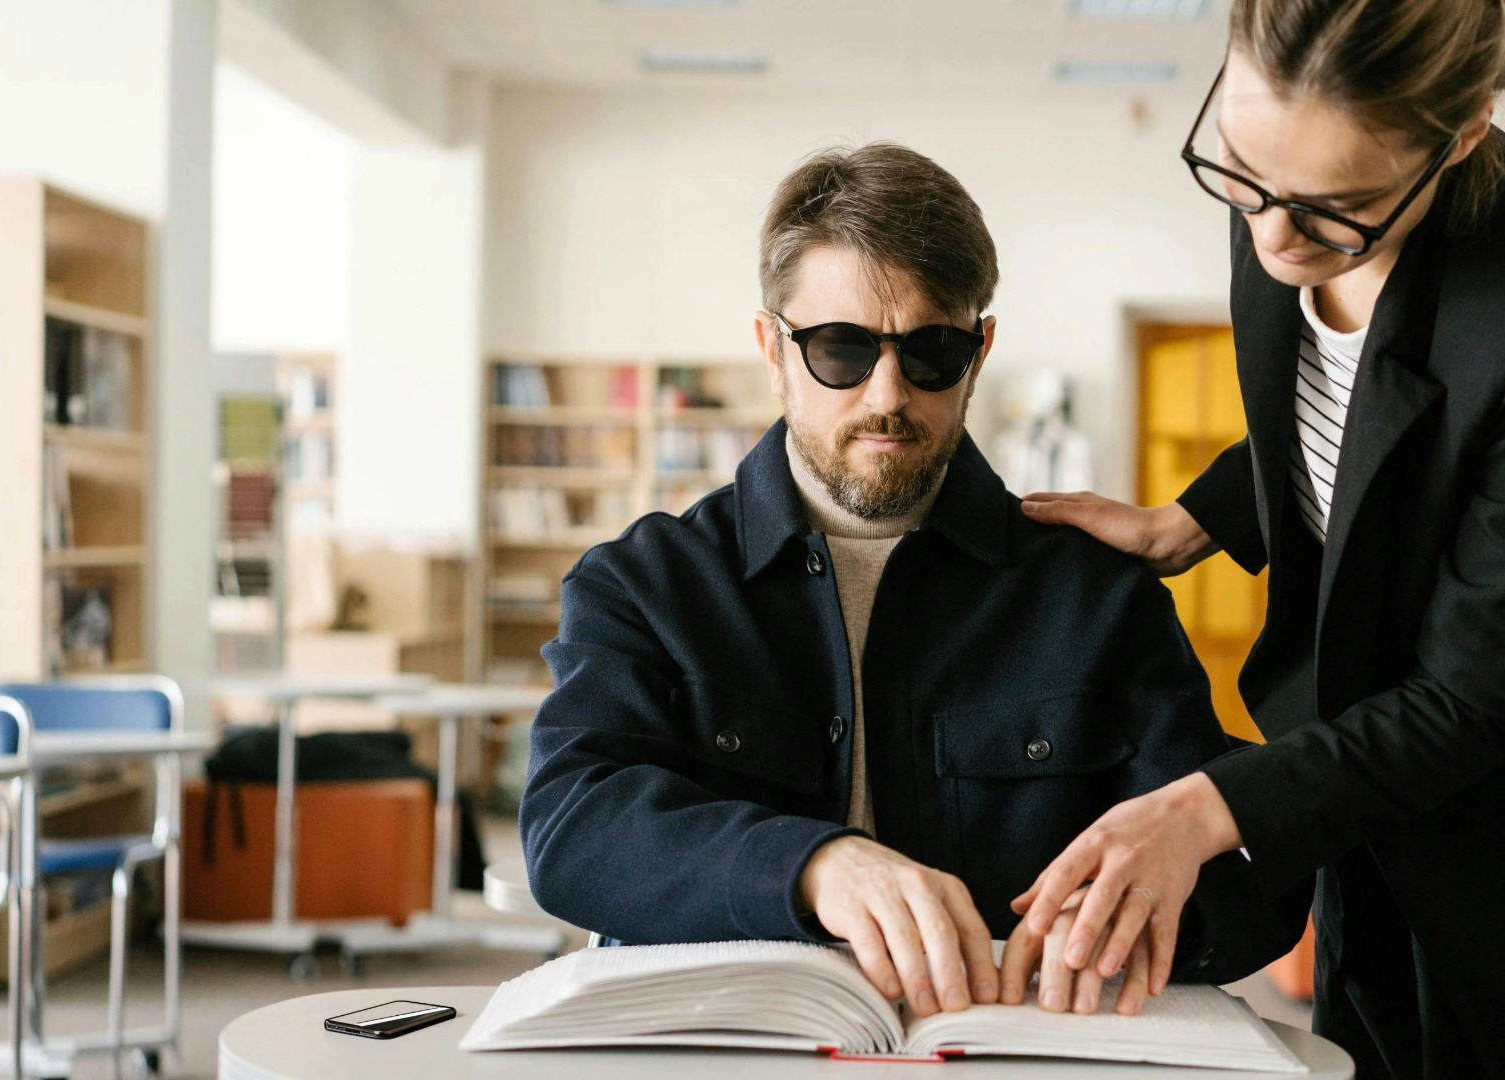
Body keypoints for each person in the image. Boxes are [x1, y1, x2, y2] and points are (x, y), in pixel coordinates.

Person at [519, 142, 1307, 1022]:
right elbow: (574, 825)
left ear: (980, 350)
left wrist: (1140, 916)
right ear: (770, 350)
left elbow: (1239, 876)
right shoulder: (643, 584)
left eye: (931, 352)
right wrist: (812, 865)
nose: (887, 394)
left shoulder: (1095, 594)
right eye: (841, 349)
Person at [1013, 2, 1505, 1075]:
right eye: (1240, 173)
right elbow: (1343, 427)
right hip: (1356, 805)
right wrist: (1190, 520)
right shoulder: (1285, 189)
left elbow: (1470, 701)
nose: (1274, 236)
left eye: (1339, 212)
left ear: (1462, 134)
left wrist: (1204, 812)